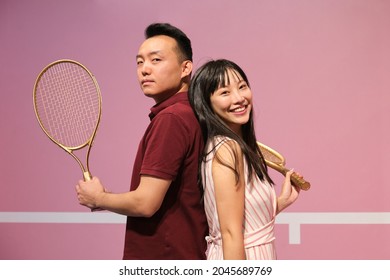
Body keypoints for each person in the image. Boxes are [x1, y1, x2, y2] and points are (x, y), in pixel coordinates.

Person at [75, 23, 208, 260]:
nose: (144, 69)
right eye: (139, 62)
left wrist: (98, 198)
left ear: (185, 67)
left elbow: (146, 203)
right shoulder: (193, 113)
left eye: (156, 60)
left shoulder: (172, 118)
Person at [188, 59, 301, 260]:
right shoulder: (226, 150)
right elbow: (231, 234)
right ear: (206, 103)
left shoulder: (236, 147)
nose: (239, 98)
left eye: (242, 87)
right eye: (225, 92)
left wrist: (279, 203)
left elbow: (241, 221)